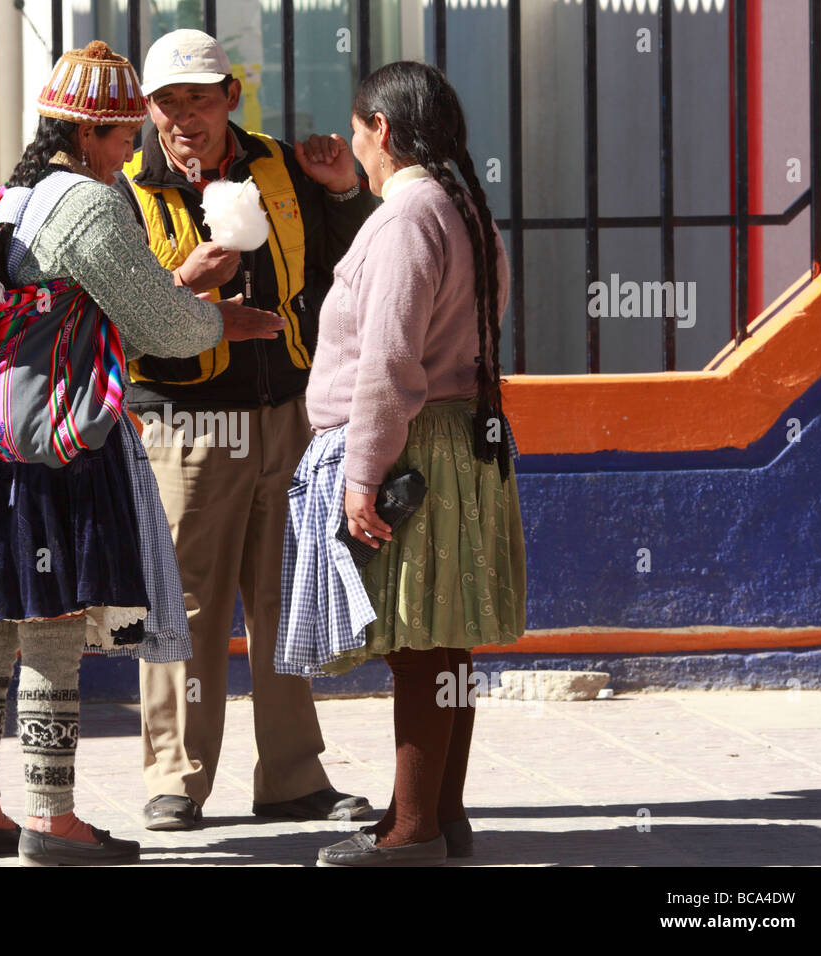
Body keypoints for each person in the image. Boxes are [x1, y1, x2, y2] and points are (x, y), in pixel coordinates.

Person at [0, 41, 285, 866]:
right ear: (97, 131)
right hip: (46, 449)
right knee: (53, 632)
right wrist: (216, 307)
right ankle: (52, 820)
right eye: (127, 130)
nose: (135, 146)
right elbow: (159, 328)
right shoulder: (90, 207)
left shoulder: (1, 201)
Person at [113, 29, 379, 830]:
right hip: (186, 429)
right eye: (167, 103)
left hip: (285, 417)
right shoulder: (124, 191)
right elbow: (110, 321)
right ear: (148, 109)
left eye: (199, 98)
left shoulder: (280, 165)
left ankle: (293, 777)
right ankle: (175, 779)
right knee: (182, 607)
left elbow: (347, 263)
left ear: (231, 95)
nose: (183, 118)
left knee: (285, 598)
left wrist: (341, 192)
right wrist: (185, 294)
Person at [279, 61, 526, 866]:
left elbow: (388, 363)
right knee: (445, 642)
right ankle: (438, 817)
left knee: (418, 644)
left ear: (380, 130)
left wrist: (360, 474)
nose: (356, 147)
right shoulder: (462, 209)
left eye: (357, 133)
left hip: (408, 448)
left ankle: (413, 833)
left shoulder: (404, 217)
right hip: (461, 443)